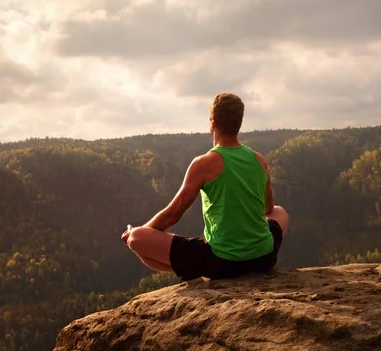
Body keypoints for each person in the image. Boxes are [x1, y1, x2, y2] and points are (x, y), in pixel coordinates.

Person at [121, 92, 289, 281]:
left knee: (137, 240)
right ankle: (203, 265)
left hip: (223, 262)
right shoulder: (259, 160)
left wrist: (139, 232)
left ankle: (195, 269)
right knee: (279, 212)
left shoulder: (204, 164)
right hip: (264, 258)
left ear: (213, 121)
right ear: (239, 122)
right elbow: (267, 209)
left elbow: (173, 214)